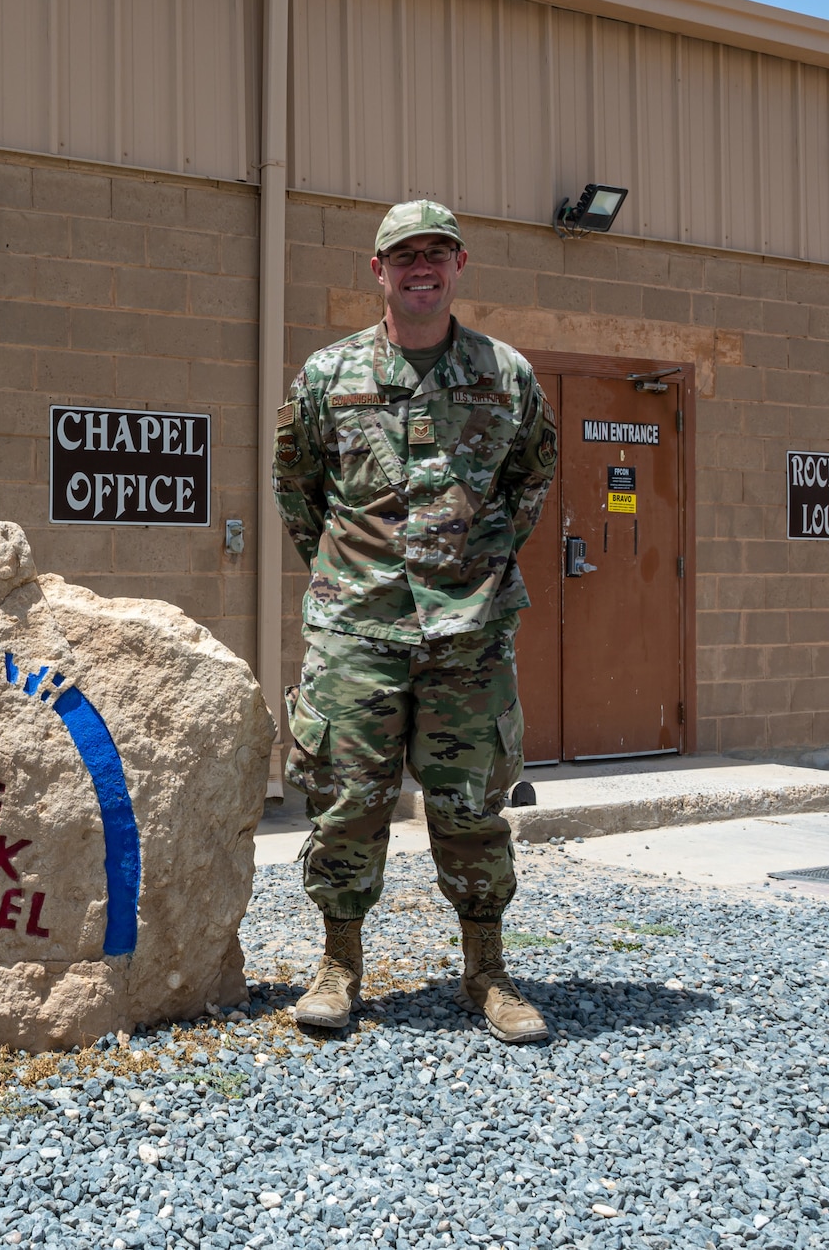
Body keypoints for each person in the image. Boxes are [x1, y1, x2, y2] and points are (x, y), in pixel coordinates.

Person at [271, 199, 557, 1042]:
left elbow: (532, 480)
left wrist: (473, 564)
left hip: (468, 633)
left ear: (460, 265)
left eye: (437, 253)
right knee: (345, 799)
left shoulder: (507, 375)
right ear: (379, 271)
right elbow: (299, 491)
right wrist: (356, 574)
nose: (421, 268)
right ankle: (339, 965)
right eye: (405, 256)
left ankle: (487, 968)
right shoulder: (328, 376)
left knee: (472, 804)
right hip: (357, 628)